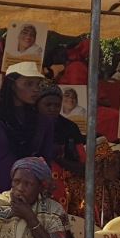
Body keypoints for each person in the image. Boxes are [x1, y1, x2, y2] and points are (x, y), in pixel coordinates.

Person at [0, 61, 54, 213]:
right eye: (29, 84)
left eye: (37, 85)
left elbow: (46, 162)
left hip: (31, 196)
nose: (35, 90)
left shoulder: (44, 122)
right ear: (12, 85)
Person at [36, 83, 86, 212]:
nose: (53, 108)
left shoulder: (70, 127)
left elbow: (84, 167)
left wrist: (59, 159)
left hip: (66, 194)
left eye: (57, 105)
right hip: (33, 188)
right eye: (48, 105)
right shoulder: (29, 126)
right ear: (37, 104)